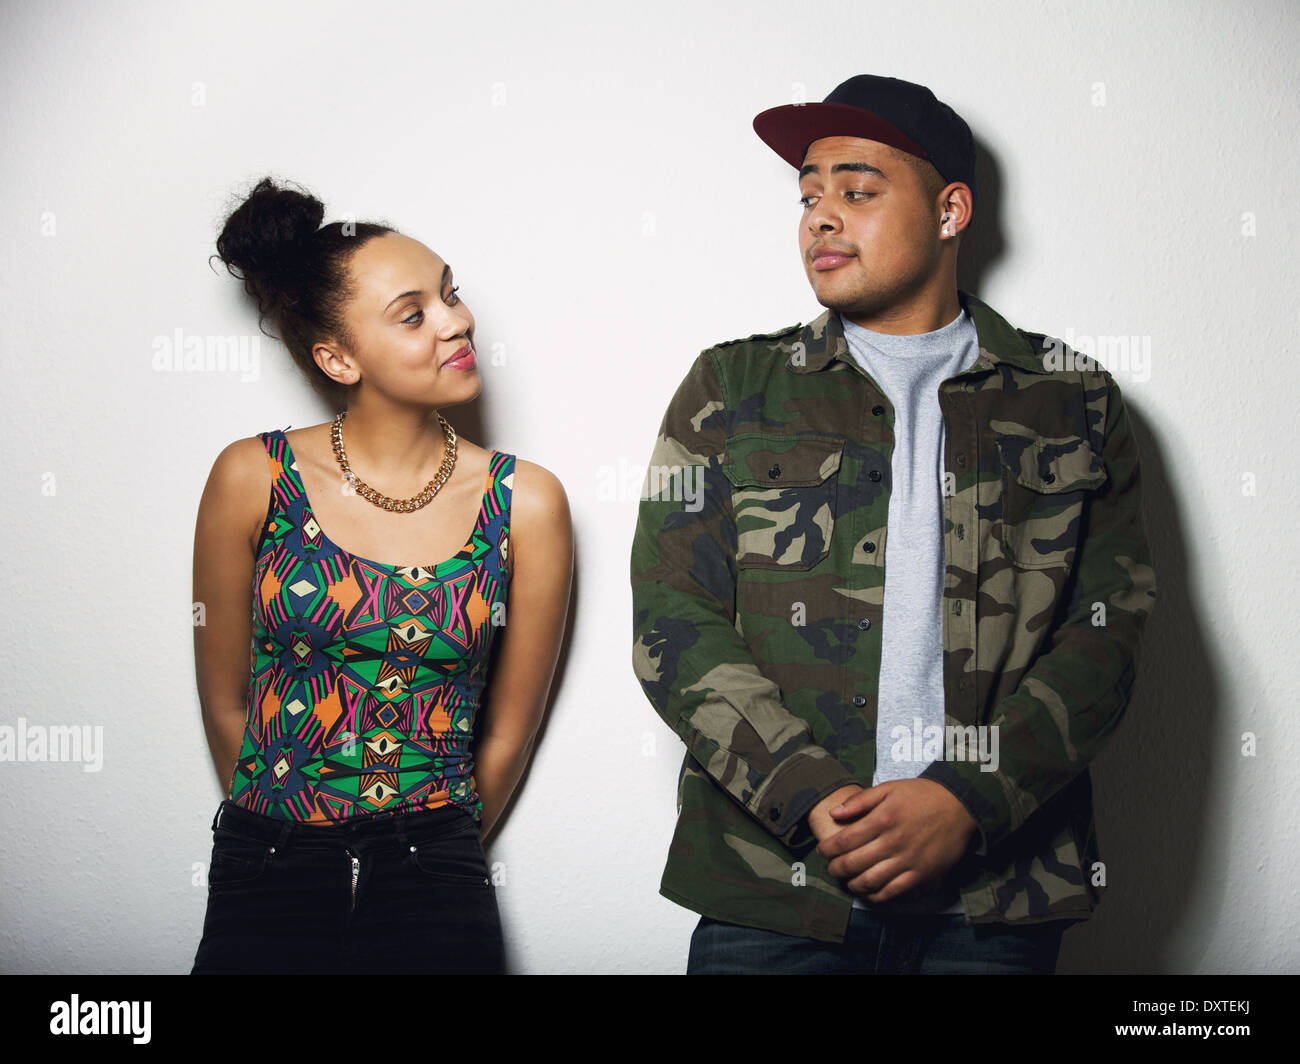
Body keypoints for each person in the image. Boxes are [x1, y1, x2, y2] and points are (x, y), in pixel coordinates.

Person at [629, 75, 1158, 974]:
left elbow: (1109, 631)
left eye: (858, 190)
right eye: (808, 195)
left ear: (951, 210)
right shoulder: (731, 387)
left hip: (997, 898)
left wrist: (967, 801)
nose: (820, 217)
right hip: (777, 889)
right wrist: (811, 795)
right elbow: (670, 619)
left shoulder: (1073, 398)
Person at [191, 177, 573, 974]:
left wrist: (427, 844)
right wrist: (292, 824)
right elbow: (228, 701)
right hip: (267, 863)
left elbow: (508, 730)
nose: (456, 321)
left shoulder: (525, 502)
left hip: (434, 869)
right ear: (337, 357)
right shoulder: (251, 476)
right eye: (414, 314)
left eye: (450, 295)